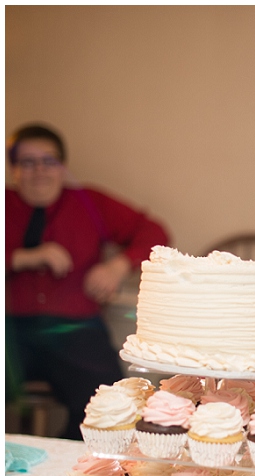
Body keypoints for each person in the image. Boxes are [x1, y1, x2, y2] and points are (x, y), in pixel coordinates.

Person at [5, 123, 170, 440]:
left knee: (108, 405)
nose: (39, 170)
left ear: (61, 167)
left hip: (76, 329)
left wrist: (117, 266)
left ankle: (69, 468)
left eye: (48, 161)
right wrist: (26, 257)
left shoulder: (89, 202)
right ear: (14, 169)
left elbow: (154, 232)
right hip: (11, 329)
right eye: (27, 162)